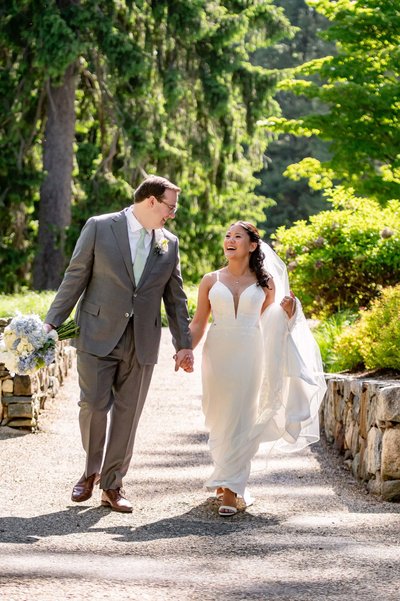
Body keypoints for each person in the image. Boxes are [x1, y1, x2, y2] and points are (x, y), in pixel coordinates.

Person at [44, 175, 194, 513]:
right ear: (151, 201)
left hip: (142, 340)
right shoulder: (100, 227)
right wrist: (52, 321)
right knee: (93, 406)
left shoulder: (169, 242)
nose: (172, 214)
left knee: (128, 416)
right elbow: (75, 276)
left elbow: (176, 298)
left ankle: (112, 485)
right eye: (170, 207)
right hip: (97, 332)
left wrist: (183, 344)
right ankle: (90, 471)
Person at [189, 221, 326, 516]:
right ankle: (225, 471)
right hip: (218, 353)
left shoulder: (266, 284)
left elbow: (271, 323)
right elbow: (199, 322)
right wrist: (186, 349)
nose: (230, 240)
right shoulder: (209, 280)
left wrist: (289, 314)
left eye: (237, 236)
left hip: (251, 352)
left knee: (243, 414)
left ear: (252, 246)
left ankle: (231, 488)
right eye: (227, 236)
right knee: (219, 416)